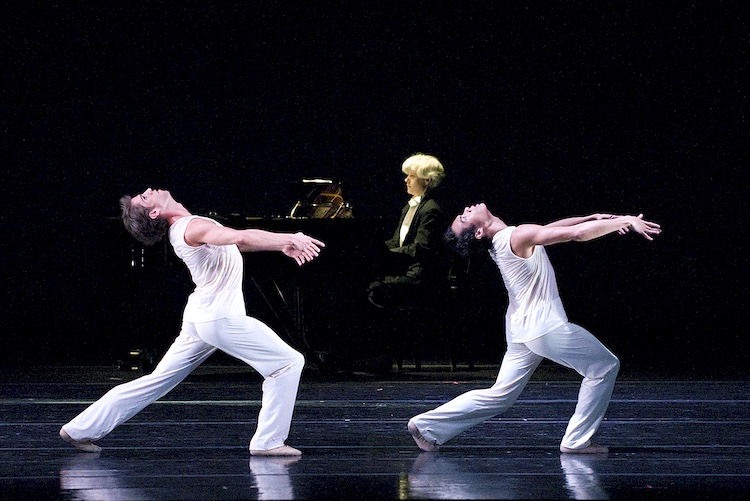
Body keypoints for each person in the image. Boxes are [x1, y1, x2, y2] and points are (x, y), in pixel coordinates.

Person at [60, 188, 324, 456]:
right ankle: (268, 442)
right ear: (154, 212)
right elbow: (240, 236)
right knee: (288, 363)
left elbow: (237, 242)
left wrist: (281, 245)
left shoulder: (188, 226)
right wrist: (290, 237)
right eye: (145, 197)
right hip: (220, 319)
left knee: (157, 380)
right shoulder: (190, 227)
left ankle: (80, 429)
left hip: (201, 317)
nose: (149, 190)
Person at [408, 203, 661, 453]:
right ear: (478, 233)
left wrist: (590, 217)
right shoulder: (516, 236)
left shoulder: (508, 239)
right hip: (544, 328)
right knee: (604, 366)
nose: (466, 209)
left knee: (501, 395)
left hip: (521, 329)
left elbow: (550, 229)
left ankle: (426, 425)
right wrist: (627, 220)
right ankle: (577, 441)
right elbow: (575, 235)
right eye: (464, 217)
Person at [367, 153, 447, 310]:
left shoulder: (431, 209)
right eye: (407, 175)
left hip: (420, 275)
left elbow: (421, 248)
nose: (406, 180)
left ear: (427, 180)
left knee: (374, 288)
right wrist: (375, 248)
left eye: (411, 176)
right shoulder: (409, 207)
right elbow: (398, 241)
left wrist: (387, 253)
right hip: (405, 268)